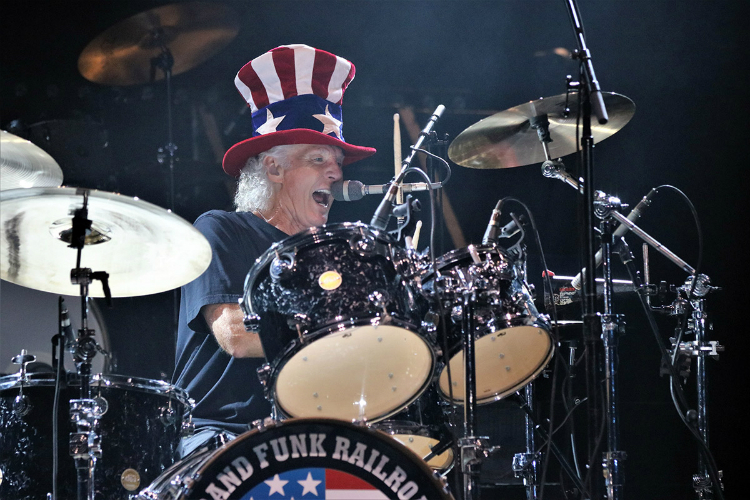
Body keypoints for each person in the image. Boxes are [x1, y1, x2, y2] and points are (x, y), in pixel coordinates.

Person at [172, 44, 376, 457]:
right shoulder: (220, 229)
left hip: (305, 438)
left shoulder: (329, 255)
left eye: (337, 162)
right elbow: (237, 336)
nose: (335, 173)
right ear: (275, 168)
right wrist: (345, 331)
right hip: (218, 439)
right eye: (318, 158)